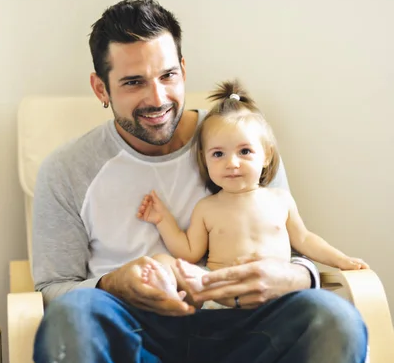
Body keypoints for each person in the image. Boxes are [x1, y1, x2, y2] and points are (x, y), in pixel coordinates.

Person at [32, 0, 367, 363]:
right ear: (101, 89)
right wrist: (113, 284)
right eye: (133, 82)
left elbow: (291, 242)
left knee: (333, 317)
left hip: (246, 327)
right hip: (133, 333)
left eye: (167, 75)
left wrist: (294, 275)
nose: (157, 98)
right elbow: (53, 289)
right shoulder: (65, 170)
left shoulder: (238, 140)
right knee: (74, 313)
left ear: (184, 70)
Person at [137, 80, 368, 309]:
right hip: (221, 292)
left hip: (273, 292)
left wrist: (341, 260)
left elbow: (305, 240)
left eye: (245, 151)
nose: (232, 163)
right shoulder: (207, 207)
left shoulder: (280, 200)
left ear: (266, 155)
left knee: (321, 305)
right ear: (205, 160)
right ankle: (170, 292)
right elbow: (189, 251)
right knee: (165, 263)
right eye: (218, 154)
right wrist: (162, 220)